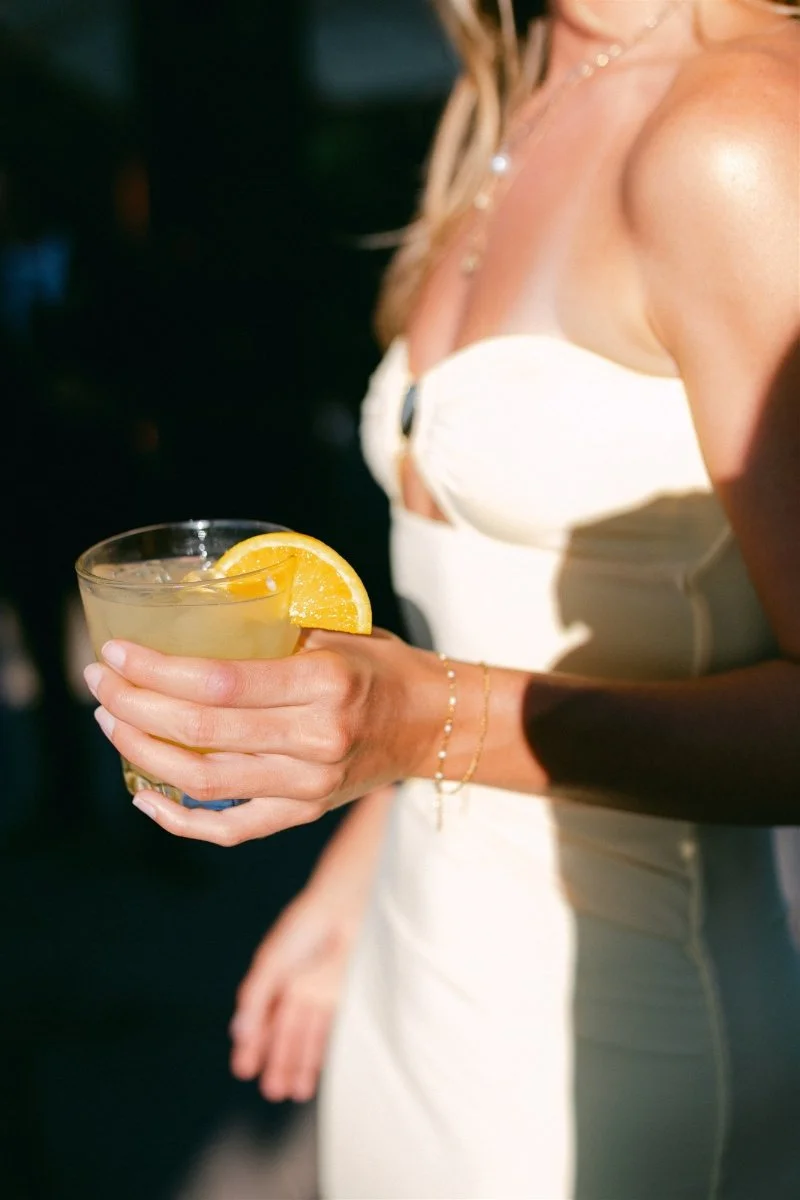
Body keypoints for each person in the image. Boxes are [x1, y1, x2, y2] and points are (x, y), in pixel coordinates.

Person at [81, 0, 800, 1195]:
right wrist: (355, 868)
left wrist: (417, 722)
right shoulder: (510, 102)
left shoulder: (739, 135)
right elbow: (473, 630)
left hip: (612, 1054)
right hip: (407, 979)